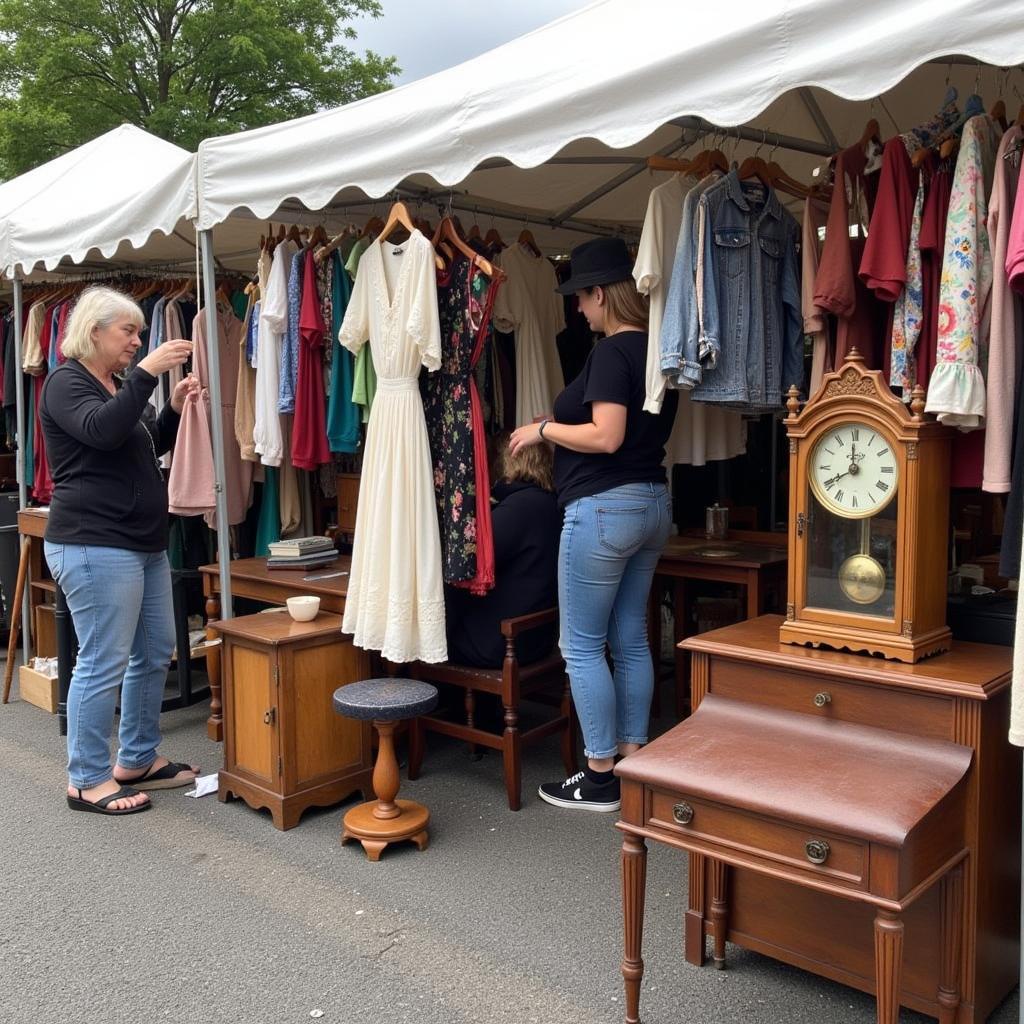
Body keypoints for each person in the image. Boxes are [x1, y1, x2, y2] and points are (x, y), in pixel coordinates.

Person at [510, 237, 678, 812]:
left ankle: (599, 773)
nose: (578, 311)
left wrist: (546, 431)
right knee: (630, 637)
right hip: (652, 502)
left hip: (604, 508)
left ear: (600, 293)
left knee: (580, 645)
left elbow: (605, 436)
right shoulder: (657, 351)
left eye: (581, 299)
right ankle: (633, 758)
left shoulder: (610, 352)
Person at [39, 286, 202, 816]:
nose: (137, 340)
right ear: (94, 332)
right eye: (128, 331)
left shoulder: (112, 384)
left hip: (139, 543)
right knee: (102, 661)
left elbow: (143, 443)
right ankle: (86, 779)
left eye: (138, 332)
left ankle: (135, 760)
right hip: (93, 543)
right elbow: (102, 434)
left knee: (154, 650)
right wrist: (149, 373)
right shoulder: (66, 382)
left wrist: (172, 411)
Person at [444, 436, 559, 668]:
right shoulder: (551, 504)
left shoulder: (518, 508)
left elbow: (471, 559)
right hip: (538, 636)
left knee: (432, 621)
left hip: (502, 643)